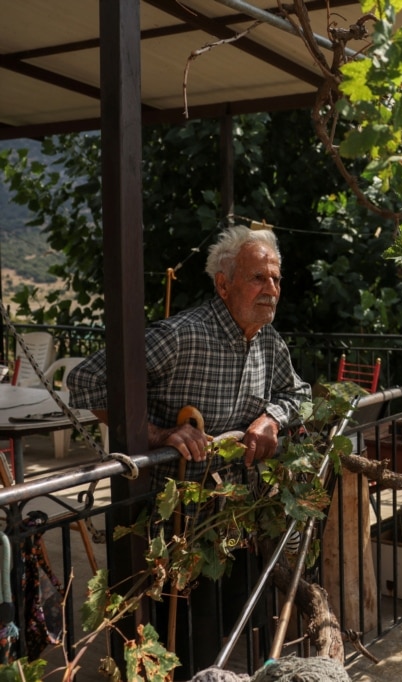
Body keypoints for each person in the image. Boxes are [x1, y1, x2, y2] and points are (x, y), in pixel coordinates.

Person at [67, 225, 311, 676]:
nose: (271, 290)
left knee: (237, 628)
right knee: (182, 644)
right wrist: (158, 435)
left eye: (276, 279)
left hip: (236, 521)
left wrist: (272, 417)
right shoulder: (181, 336)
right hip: (177, 529)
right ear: (224, 283)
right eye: (259, 278)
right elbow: (84, 383)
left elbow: (301, 394)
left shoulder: (269, 342)